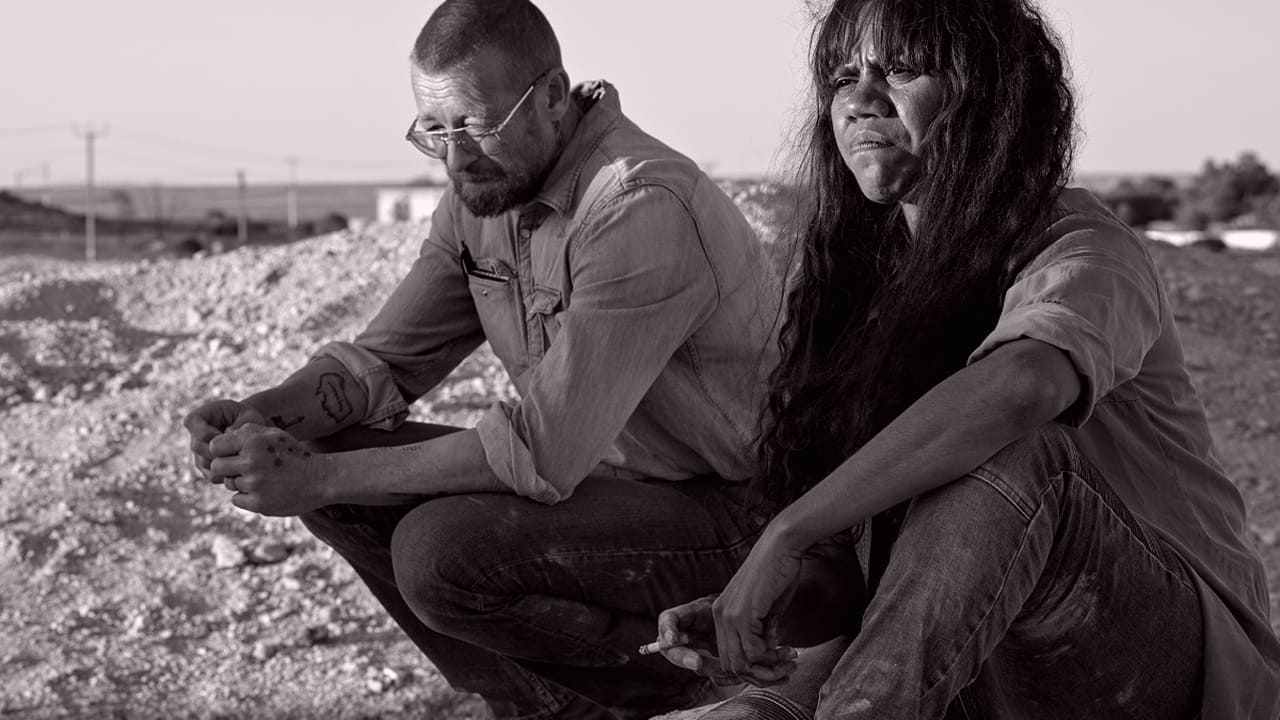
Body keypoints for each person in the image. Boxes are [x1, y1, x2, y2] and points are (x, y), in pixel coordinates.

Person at [651, 0, 1280, 718]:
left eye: (900, 69)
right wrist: (763, 612)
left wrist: (789, 530)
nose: (859, 100)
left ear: (988, 93)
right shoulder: (860, 288)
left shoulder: (1083, 247)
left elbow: (1023, 388)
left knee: (1014, 449)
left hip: (1171, 671)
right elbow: (872, 583)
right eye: (842, 77)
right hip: (979, 669)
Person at [181, 1, 779, 717]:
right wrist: (266, 416)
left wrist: (316, 479)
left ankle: (684, 687)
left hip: (735, 513)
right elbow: (386, 361)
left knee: (440, 553)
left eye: (474, 125)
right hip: (606, 486)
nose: (455, 157)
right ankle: (549, 706)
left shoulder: (637, 202)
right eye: (433, 130)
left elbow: (545, 449)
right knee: (323, 448)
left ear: (551, 96)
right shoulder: (483, 194)